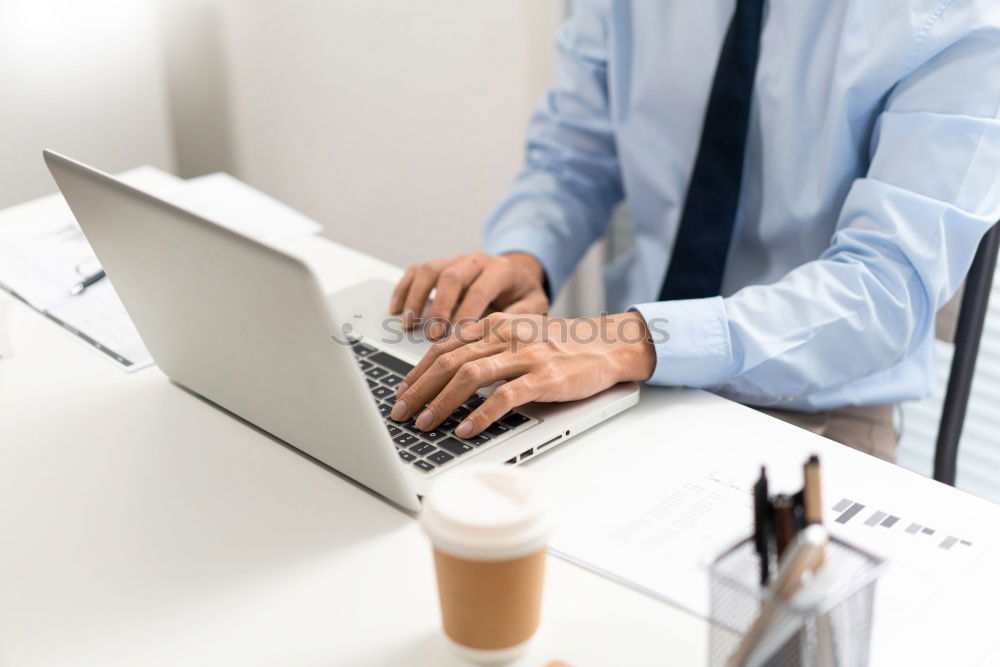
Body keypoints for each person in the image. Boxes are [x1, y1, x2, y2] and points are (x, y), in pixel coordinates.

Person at [386, 1, 1000, 462]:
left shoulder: (960, 19)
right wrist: (526, 256)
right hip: (614, 362)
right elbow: (573, 158)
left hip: (818, 407)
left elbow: (886, 291)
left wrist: (637, 340)